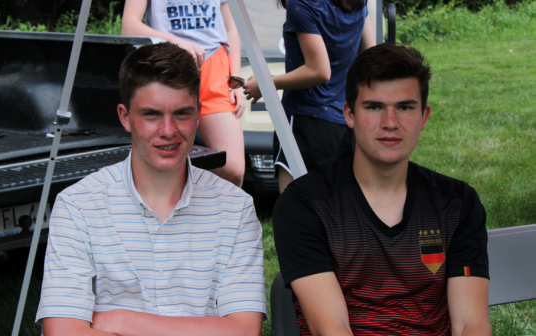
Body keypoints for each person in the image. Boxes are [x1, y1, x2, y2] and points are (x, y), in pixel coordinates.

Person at [35, 43, 266, 335]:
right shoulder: (77, 206)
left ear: (198, 114)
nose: (168, 130)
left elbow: (244, 332)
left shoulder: (236, 207)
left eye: (181, 113)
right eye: (152, 114)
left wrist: (122, 321)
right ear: (125, 117)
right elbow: (64, 332)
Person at [272, 44, 491, 335]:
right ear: (349, 114)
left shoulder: (458, 203)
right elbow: (331, 328)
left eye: (404, 107)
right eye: (374, 107)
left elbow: (470, 324)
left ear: (424, 116)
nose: (390, 123)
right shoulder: (304, 204)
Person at [242, 0, 374, 193]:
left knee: (295, 215)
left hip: (306, 122)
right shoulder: (358, 3)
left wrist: (266, 83)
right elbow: (370, 58)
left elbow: (319, 70)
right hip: (347, 123)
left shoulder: (302, 4)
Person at [122, 0, 246, 188]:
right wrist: (175, 41)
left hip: (214, 68)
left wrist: (235, 80)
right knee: (168, 166)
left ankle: (219, 216)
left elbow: (232, 28)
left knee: (233, 169)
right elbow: (129, 27)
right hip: (169, 68)